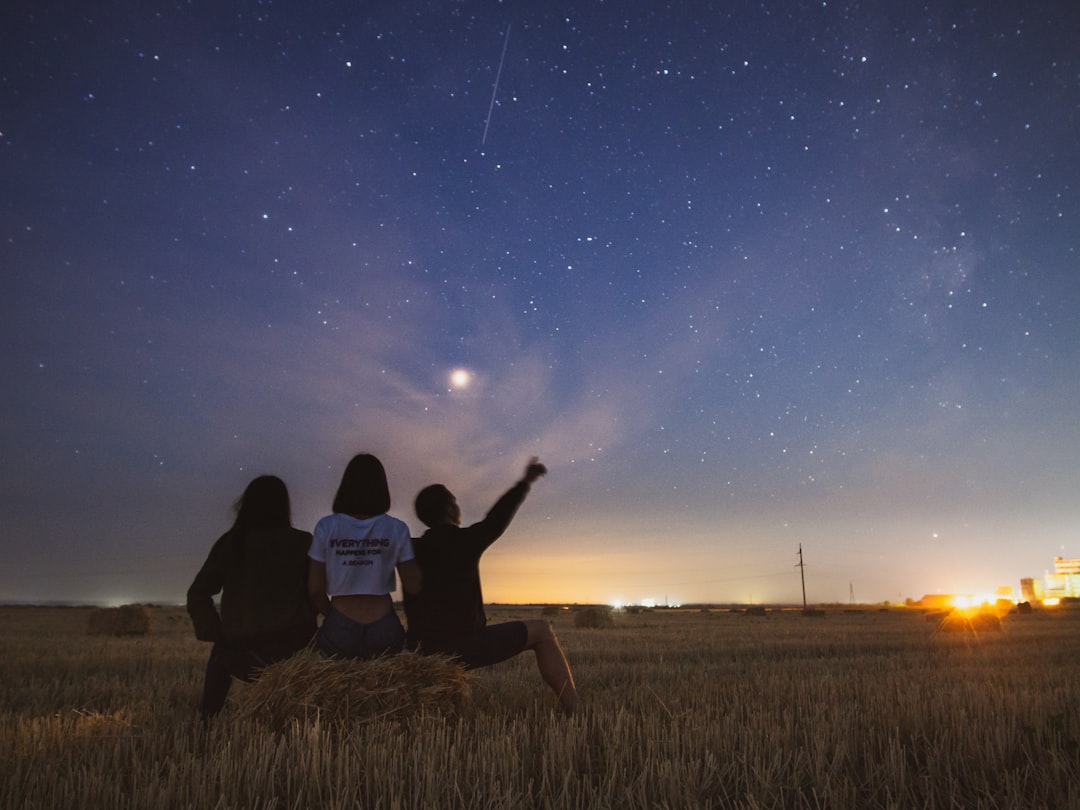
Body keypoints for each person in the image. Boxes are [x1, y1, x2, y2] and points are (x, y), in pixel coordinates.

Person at [405, 458, 579, 713]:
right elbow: (498, 517)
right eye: (454, 501)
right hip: (465, 647)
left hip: (421, 649)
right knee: (542, 631)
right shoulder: (465, 541)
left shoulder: (410, 547)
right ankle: (576, 711)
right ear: (450, 510)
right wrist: (525, 482)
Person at [187, 475, 317, 718]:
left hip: (241, 654)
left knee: (219, 655)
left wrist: (216, 633)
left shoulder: (230, 543)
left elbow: (197, 593)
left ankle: (208, 715)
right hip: (295, 652)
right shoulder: (302, 542)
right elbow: (317, 592)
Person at [308, 453, 421, 659]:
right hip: (384, 625)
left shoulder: (326, 526)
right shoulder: (396, 528)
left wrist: (333, 616)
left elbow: (315, 589)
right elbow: (413, 585)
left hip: (340, 623)